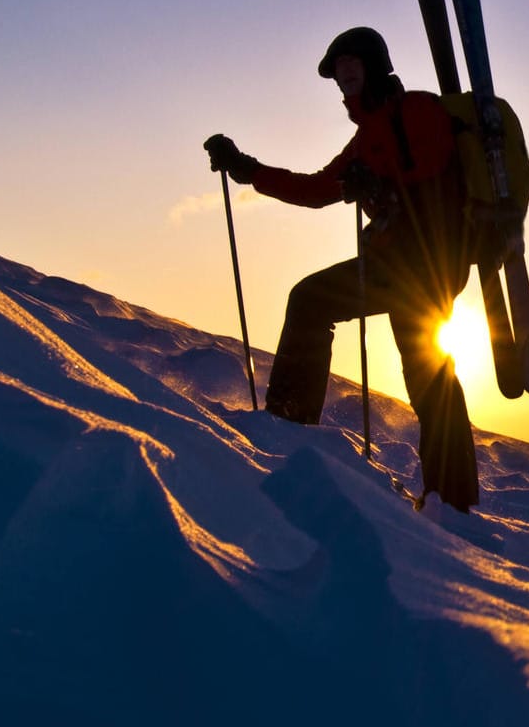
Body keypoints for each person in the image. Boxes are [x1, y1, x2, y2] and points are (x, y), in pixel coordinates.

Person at [205, 27, 478, 511]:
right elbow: (316, 190)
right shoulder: (366, 137)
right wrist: (247, 169)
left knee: (412, 362)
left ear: (375, 65)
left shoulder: (418, 109)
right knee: (416, 366)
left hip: (429, 262)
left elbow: (433, 166)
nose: (344, 78)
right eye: (338, 73)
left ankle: (447, 497)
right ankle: (447, 498)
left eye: (352, 65)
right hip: (399, 264)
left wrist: (377, 183)